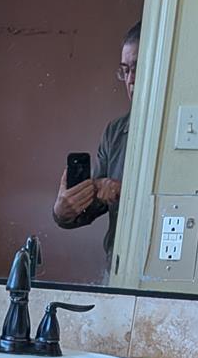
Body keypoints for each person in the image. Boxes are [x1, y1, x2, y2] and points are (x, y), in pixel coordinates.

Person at [52, 20, 139, 278]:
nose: (131, 80)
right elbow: (91, 203)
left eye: (138, 68)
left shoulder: (177, 137)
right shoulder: (115, 132)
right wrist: (62, 211)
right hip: (117, 268)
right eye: (125, 70)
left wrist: (124, 191)